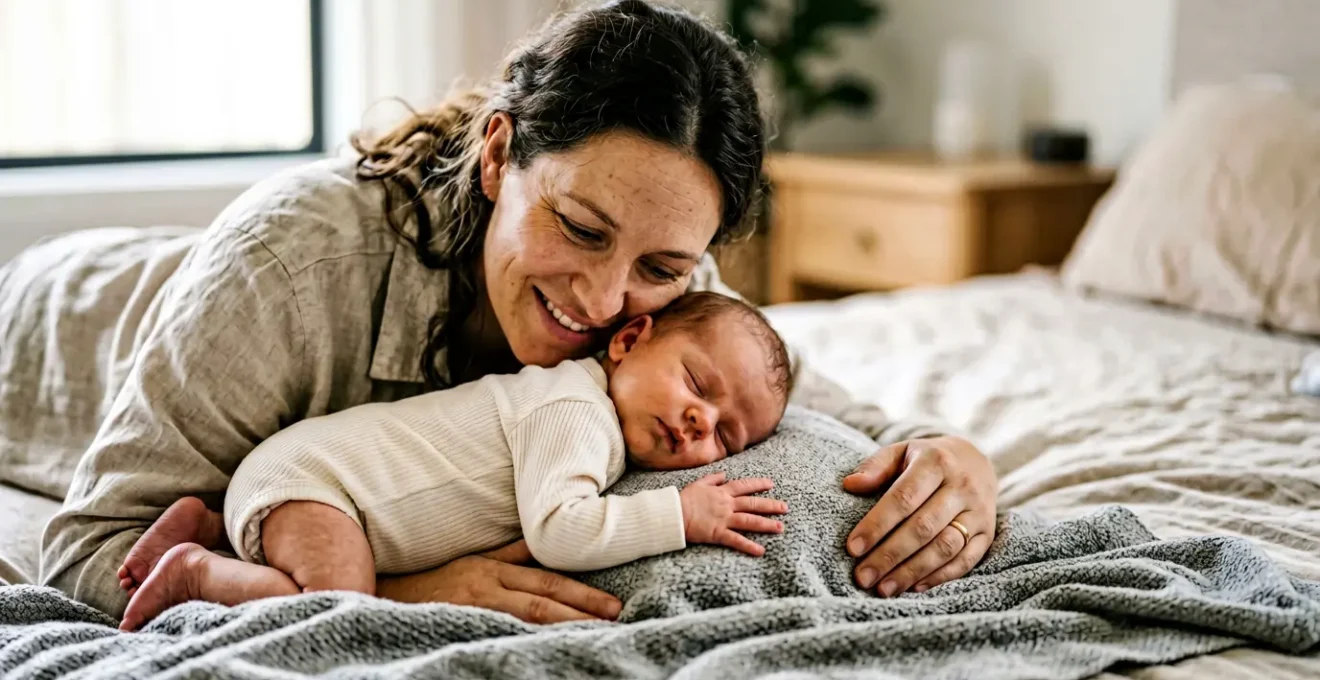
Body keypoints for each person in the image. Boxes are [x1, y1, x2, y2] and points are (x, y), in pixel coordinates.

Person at [9, 0, 996, 623]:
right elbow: (93, 549)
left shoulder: (665, 304)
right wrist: (393, 590)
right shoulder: (287, 267)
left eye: (660, 265)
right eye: (577, 225)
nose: (607, 301)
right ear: (495, 156)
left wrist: (949, 453)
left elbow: (834, 408)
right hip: (61, 313)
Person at [116, 292, 793, 631]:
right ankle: (197, 570)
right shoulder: (573, 411)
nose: (703, 421)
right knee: (339, 609)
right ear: (630, 340)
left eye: (727, 438)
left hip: (308, 476)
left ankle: (209, 524)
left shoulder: (591, 413)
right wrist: (680, 513)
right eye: (698, 387)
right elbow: (562, 529)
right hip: (318, 484)